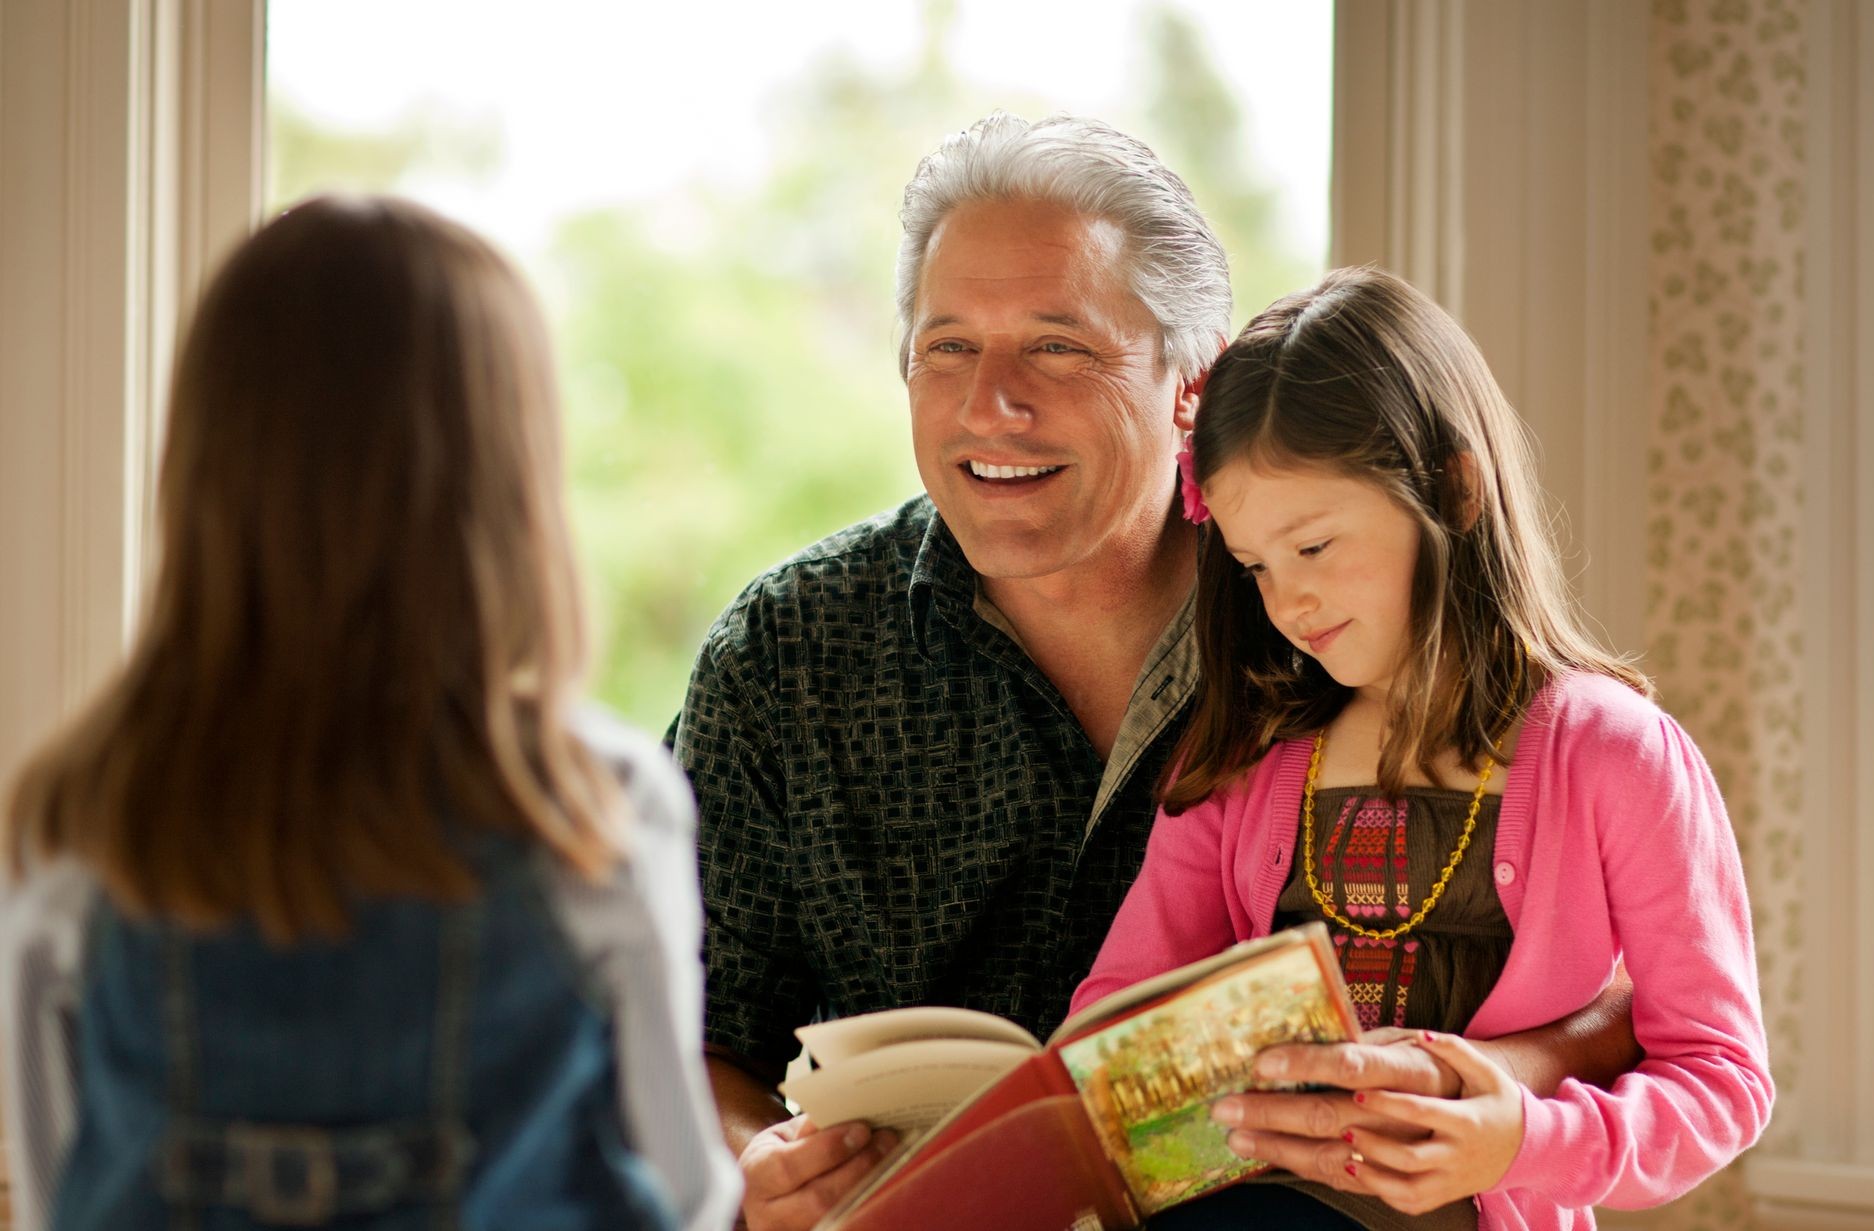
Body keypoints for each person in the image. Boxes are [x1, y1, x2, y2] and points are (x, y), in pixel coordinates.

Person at [676, 114, 1644, 1231]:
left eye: (1058, 346)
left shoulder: (1333, 614)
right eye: (947, 347)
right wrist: (750, 1166)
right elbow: (678, 1030)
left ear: (1195, 382)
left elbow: (1616, 984)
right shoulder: (788, 653)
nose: (991, 401)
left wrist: (1467, 1083)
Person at [0, 197, 740, 1231]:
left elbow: (54, 1197)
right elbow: (691, 1191)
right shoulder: (594, 803)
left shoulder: (80, 819)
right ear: (507, 485)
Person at [1071, 266, 1773, 1231]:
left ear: (1452, 487)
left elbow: (1721, 1076)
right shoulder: (1238, 760)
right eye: (1254, 566)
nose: (1287, 603)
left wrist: (1522, 1136)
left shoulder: (1615, 753)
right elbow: (1111, 1021)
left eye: (1313, 547)